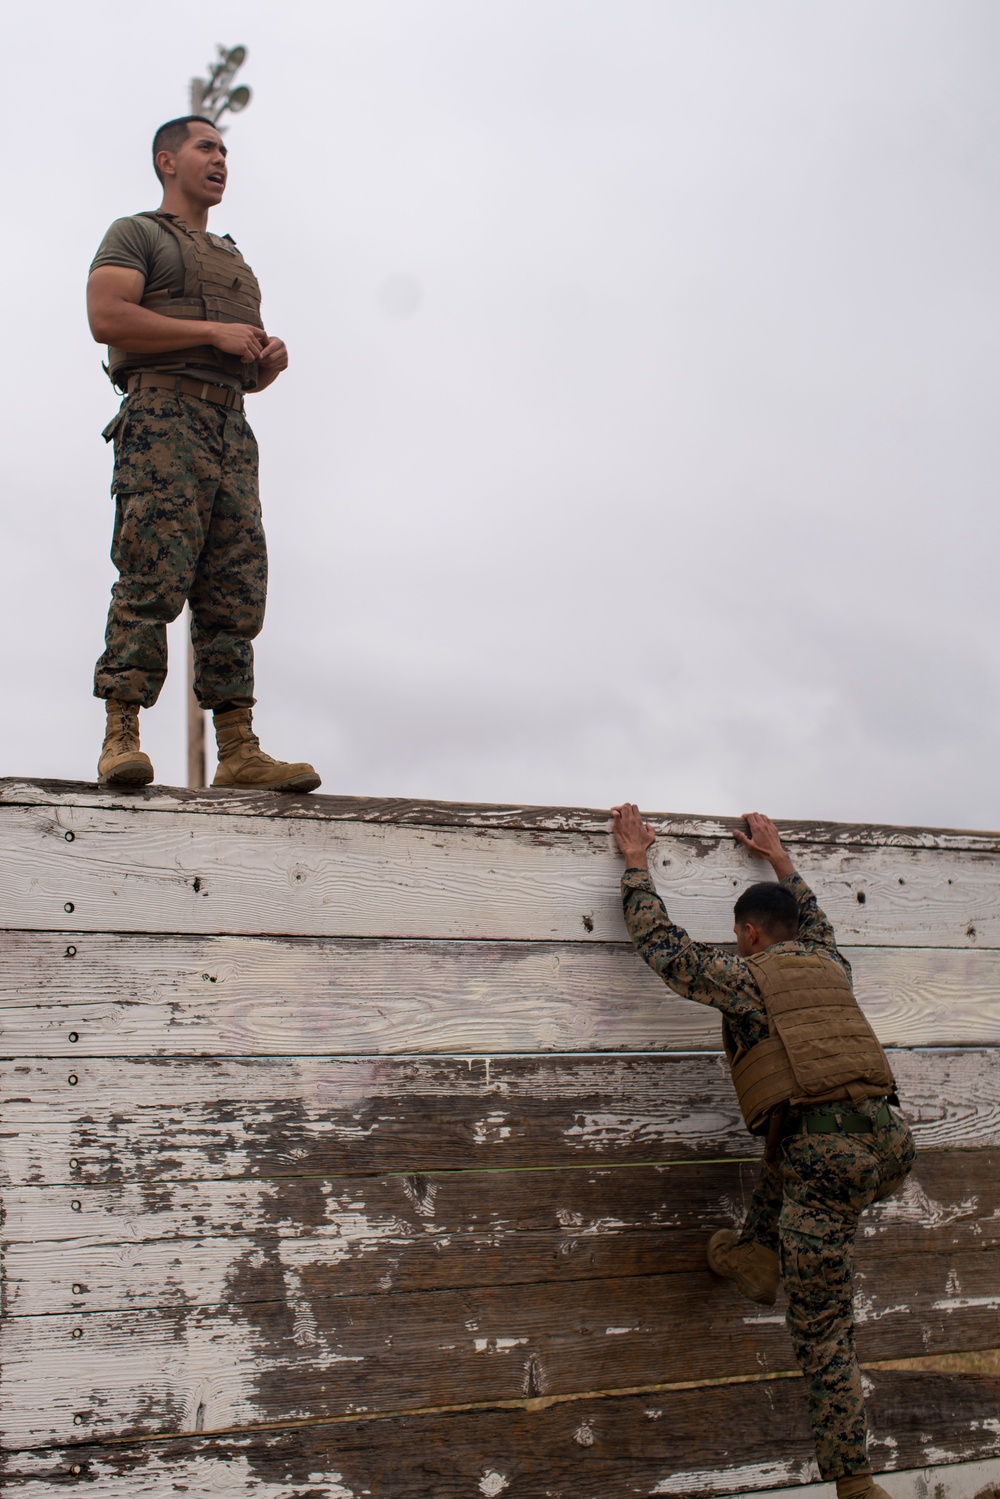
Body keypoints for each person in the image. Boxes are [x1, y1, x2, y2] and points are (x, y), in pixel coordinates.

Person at [611, 804, 915, 1499]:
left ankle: (854, 1480)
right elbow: (815, 917)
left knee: (823, 1326)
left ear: (749, 935)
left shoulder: (748, 978)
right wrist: (780, 858)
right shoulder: (830, 963)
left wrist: (635, 861)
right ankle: (753, 1250)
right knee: (792, 1148)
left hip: (828, 1156)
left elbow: (666, 949)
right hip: (889, 1144)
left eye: (739, 935)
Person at [87, 115, 321, 792]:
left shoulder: (233, 259)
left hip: (229, 428)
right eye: (206, 148)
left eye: (225, 150)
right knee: (151, 572)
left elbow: (238, 363)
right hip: (162, 417)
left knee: (235, 589)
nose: (220, 160)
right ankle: (121, 731)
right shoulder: (137, 235)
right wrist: (213, 329)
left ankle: (239, 749)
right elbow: (107, 317)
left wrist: (267, 362)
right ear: (168, 161)